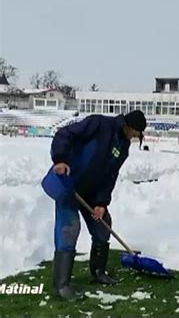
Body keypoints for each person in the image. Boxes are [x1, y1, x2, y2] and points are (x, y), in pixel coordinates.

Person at [41, 110, 146, 301]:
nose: (136, 136)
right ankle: (61, 285)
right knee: (70, 229)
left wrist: (101, 203)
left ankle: (98, 272)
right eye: (136, 132)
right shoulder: (99, 124)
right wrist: (60, 159)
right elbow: (65, 134)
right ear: (128, 125)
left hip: (91, 193)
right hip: (69, 184)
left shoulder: (123, 146)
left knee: (103, 225)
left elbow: (110, 176)